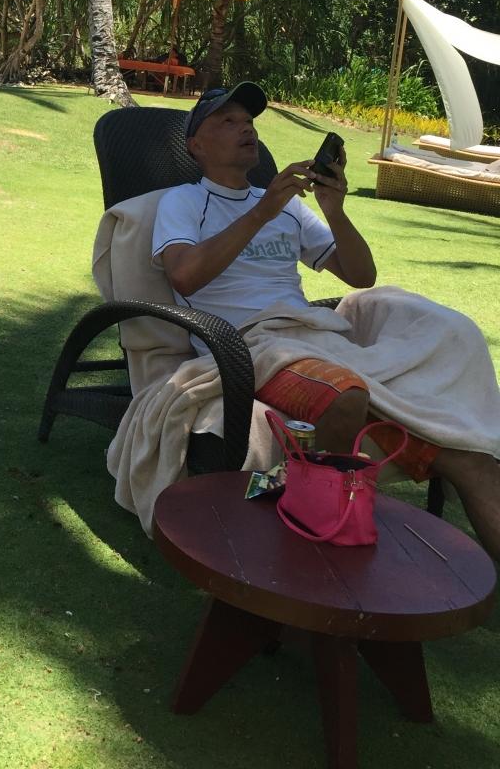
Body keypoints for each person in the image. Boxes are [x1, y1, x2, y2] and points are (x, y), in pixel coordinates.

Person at [152, 81, 500, 559]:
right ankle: (319, 541)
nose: (245, 128)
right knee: (344, 395)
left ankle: (309, 481)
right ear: (196, 146)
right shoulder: (184, 202)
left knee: (471, 460)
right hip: (250, 345)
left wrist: (334, 211)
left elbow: (360, 274)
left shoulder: (289, 208)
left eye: (248, 120)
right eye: (227, 121)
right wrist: (262, 211)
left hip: (313, 337)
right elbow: (185, 276)